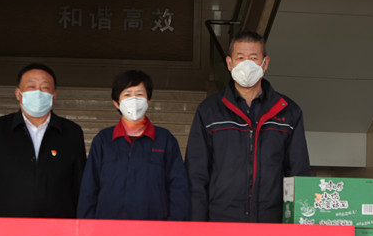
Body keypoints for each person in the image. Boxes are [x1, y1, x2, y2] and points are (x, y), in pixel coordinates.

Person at [185, 31, 310, 222]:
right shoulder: (209, 111)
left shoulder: (288, 111)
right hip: (221, 221)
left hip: (272, 221)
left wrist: (297, 223)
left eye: (253, 58)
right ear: (229, 63)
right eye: (240, 58)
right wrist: (197, 225)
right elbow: (196, 174)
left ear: (265, 63)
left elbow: (298, 173)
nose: (247, 64)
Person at [0, 63, 86, 218]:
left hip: (57, 226)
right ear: (18, 93)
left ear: (54, 95)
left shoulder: (71, 132)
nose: (38, 92)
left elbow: (79, 186)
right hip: (6, 225)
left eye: (45, 87)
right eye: (31, 86)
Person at [77, 70, 189, 221]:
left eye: (140, 94)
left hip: (154, 228)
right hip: (108, 228)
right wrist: (87, 226)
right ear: (116, 103)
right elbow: (89, 189)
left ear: (148, 100)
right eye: (127, 94)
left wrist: (173, 226)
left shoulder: (165, 139)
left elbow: (178, 189)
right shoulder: (103, 140)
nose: (134, 100)